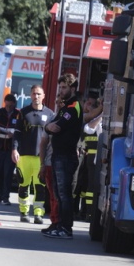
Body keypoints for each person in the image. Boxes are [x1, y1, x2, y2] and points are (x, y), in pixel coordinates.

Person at [43, 73, 83, 239]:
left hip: (66, 157)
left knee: (65, 194)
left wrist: (50, 126)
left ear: (73, 88)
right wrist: (48, 127)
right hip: (58, 155)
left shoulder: (74, 107)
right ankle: (59, 225)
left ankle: (66, 228)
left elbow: (58, 126)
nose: (61, 90)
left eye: (64, 87)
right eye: (60, 87)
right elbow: (48, 127)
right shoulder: (65, 107)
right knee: (59, 194)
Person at [11, 85, 55, 224]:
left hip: (40, 157)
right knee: (23, 185)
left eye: (38, 94)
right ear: (30, 95)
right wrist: (14, 149)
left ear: (43, 96)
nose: (36, 96)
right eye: (34, 94)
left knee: (40, 186)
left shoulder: (50, 114)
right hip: (24, 155)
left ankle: (38, 214)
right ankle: (24, 212)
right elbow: (17, 133)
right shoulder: (23, 112)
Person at [74, 91, 103, 222]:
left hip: (94, 157)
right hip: (86, 156)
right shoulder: (87, 118)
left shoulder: (100, 118)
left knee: (90, 186)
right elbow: (88, 130)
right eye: (88, 103)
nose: (89, 106)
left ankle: (88, 212)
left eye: (92, 104)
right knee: (80, 185)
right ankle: (82, 211)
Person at [0, 93, 20, 206]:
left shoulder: (18, 114)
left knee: (8, 173)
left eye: (11, 106)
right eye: (7, 105)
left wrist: (14, 135)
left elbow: (20, 130)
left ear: (14, 104)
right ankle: (0, 192)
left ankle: (6, 197)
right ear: (5, 103)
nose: (9, 108)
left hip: (11, 149)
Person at [39, 94, 63, 235]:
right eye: (57, 102)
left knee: (61, 195)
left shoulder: (71, 119)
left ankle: (60, 223)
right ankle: (54, 222)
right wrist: (42, 164)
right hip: (49, 163)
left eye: (62, 102)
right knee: (53, 195)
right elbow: (43, 143)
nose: (59, 104)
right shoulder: (51, 119)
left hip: (63, 162)